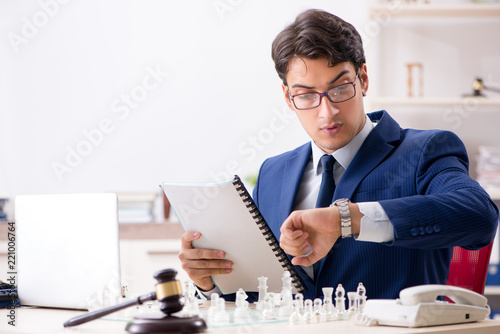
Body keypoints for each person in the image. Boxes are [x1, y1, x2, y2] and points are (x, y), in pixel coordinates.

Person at [178, 9, 499, 301]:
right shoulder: (273, 173)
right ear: (288, 98)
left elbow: (478, 215)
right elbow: (259, 296)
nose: (326, 112)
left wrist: (347, 220)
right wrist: (208, 284)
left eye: (340, 88)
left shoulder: (424, 150)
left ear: (363, 79)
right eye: (306, 95)